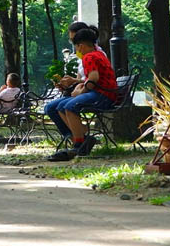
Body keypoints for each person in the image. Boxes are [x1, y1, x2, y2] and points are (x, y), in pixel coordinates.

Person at [43, 26, 118, 161]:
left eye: (76, 47)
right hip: (106, 93)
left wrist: (81, 92)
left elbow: (93, 78)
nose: (76, 50)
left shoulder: (89, 57)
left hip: (102, 95)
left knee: (69, 106)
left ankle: (79, 143)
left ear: (81, 46)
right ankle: (82, 139)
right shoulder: (98, 54)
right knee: (61, 107)